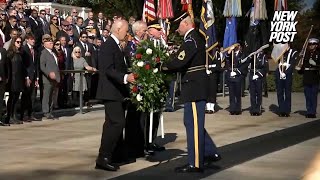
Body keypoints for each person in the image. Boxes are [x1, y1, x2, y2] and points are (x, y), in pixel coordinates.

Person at [161, 12, 221, 173]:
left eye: (179, 24)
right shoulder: (192, 39)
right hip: (194, 86)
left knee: (193, 124)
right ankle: (209, 151)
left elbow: (180, 61)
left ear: (186, 24)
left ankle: (195, 163)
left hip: (194, 87)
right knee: (192, 123)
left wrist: (162, 66)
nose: (177, 28)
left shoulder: (191, 40)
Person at [95, 19, 135, 171]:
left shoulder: (117, 46)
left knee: (114, 123)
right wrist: (126, 78)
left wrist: (129, 74)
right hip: (110, 91)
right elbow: (108, 69)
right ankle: (103, 157)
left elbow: (119, 67)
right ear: (118, 29)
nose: (127, 33)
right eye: (125, 30)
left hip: (117, 90)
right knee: (116, 123)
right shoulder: (108, 46)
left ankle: (116, 154)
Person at [4, 37, 26, 125]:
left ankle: (14, 116)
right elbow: (8, 67)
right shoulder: (10, 54)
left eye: (20, 42)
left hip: (19, 78)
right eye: (17, 42)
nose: (19, 43)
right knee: (12, 99)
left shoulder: (20, 53)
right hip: (12, 79)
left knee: (16, 99)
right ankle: (9, 117)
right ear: (13, 43)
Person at [20, 34, 41, 122]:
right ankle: (23, 114)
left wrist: (37, 78)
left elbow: (36, 64)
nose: (33, 41)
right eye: (31, 39)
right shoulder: (24, 49)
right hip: (27, 76)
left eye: (34, 39)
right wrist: (26, 76)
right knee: (26, 96)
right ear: (27, 40)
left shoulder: (35, 50)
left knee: (33, 96)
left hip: (33, 75)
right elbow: (24, 64)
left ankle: (30, 113)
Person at [298, 38, 320, 118]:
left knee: (313, 96)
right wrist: (299, 68)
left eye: (313, 44)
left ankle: (312, 112)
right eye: (310, 44)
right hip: (307, 77)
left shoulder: (318, 54)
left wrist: (316, 64)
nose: (311, 46)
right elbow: (302, 67)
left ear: (316, 45)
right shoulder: (305, 54)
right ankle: (309, 111)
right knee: (307, 96)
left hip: (314, 76)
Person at [40, 34, 60, 120]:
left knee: (52, 95)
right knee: (47, 95)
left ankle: (50, 111)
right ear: (45, 44)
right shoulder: (44, 53)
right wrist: (48, 73)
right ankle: (46, 111)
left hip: (55, 77)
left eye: (52, 41)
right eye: (49, 42)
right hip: (47, 78)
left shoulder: (53, 53)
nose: (51, 43)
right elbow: (42, 66)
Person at [275, 43, 297, 117]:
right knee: (280, 92)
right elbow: (277, 61)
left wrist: (286, 72)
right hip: (279, 74)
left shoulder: (293, 52)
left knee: (287, 93)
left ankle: (287, 110)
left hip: (288, 74)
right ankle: (281, 110)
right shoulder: (279, 51)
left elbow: (293, 64)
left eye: (285, 43)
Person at [225, 44, 248, 115]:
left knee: (237, 94)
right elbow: (227, 58)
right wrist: (229, 51)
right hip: (231, 75)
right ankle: (232, 109)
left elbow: (244, 65)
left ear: (239, 47)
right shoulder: (231, 53)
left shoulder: (242, 55)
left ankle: (238, 109)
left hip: (238, 76)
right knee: (231, 94)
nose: (235, 47)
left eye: (237, 46)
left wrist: (237, 72)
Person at [249, 51, 267, 116]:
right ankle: (253, 109)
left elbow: (265, 68)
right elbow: (247, 62)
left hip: (258, 76)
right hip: (252, 75)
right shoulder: (252, 56)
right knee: (252, 93)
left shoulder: (263, 56)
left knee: (259, 93)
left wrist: (258, 75)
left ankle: (258, 109)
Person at [206, 49, 222, 114]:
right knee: (206, 91)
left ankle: (211, 107)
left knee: (212, 91)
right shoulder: (206, 53)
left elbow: (218, 66)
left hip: (213, 75)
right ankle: (207, 107)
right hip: (206, 74)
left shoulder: (217, 54)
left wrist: (211, 70)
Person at [0, 46, 7, 126]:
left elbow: (6, 65)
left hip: (2, 80)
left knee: (1, 99)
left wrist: (6, 77)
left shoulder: (3, 51)